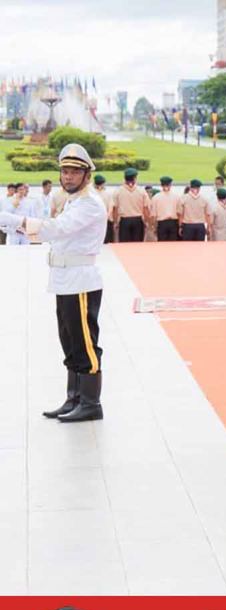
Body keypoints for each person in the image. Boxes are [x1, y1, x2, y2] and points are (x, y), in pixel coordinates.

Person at [0, 144, 108, 423]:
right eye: (64, 171)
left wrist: (11, 219)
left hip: (81, 281)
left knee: (84, 343)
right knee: (69, 341)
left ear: (86, 175)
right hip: (64, 279)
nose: (68, 176)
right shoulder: (72, 201)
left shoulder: (89, 204)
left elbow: (56, 229)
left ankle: (91, 403)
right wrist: (12, 223)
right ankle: (74, 399)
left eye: (74, 172)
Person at [113, 168, 149, 243]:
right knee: (137, 244)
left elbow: (115, 208)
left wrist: (115, 222)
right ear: (135, 178)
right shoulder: (141, 191)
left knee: (125, 244)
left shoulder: (118, 191)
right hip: (138, 220)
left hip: (124, 221)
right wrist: (146, 221)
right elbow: (145, 208)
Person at [92, 175, 114, 244]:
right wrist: (107, 216)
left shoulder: (91, 194)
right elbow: (111, 207)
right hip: (105, 220)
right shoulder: (107, 194)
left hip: (94, 221)